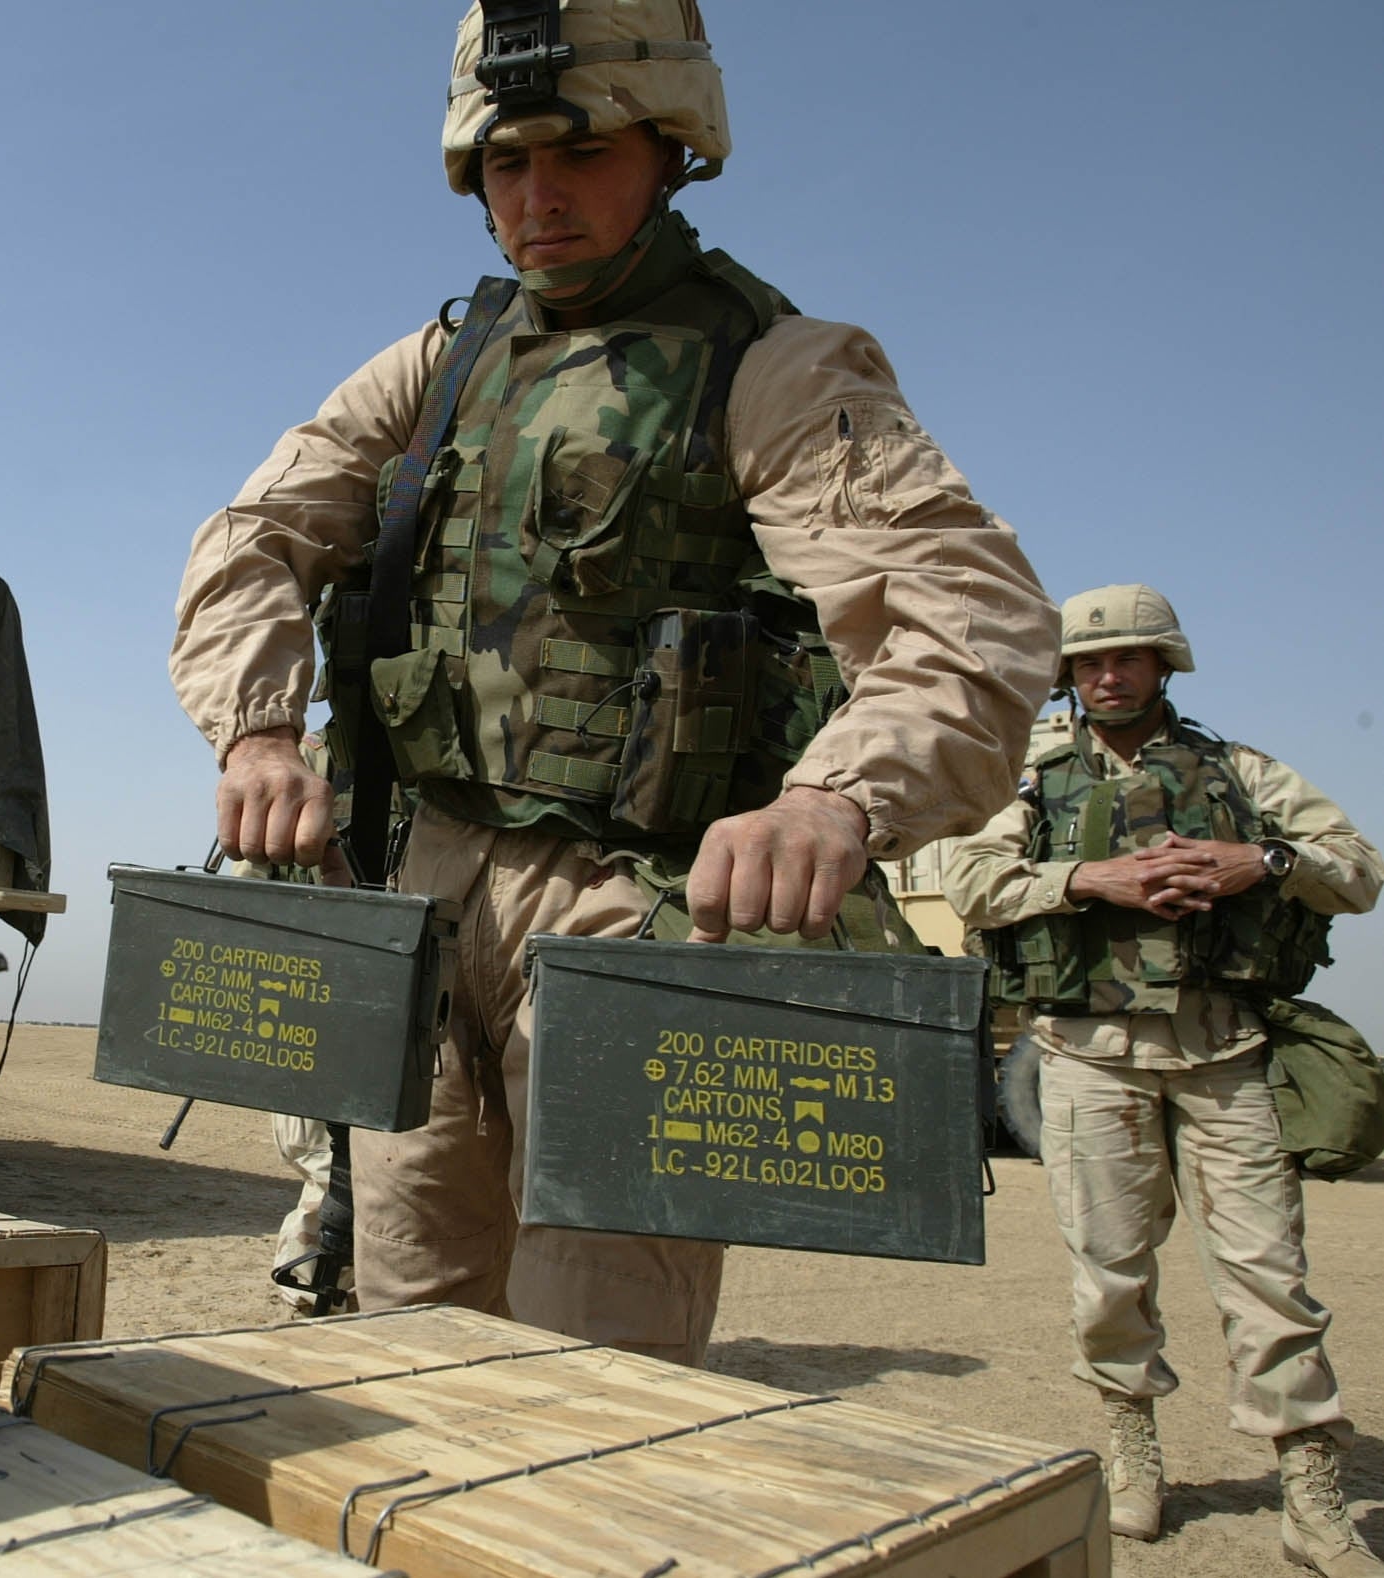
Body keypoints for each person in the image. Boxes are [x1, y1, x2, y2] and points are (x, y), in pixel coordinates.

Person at [170, 0, 1058, 1368]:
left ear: (670, 147)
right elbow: (253, 536)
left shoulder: (772, 365)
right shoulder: (439, 362)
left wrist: (831, 799)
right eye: (504, 165)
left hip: (625, 914)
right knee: (405, 1338)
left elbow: (970, 621)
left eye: (575, 153)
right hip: (419, 892)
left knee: (591, 1367)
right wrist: (258, 729)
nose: (537, 197)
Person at [942, 585, 1382, 1571]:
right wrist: (1088, 879)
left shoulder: (1240, 772)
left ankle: (1310, 1492)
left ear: (1164, 663)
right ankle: (1133, 1452)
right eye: (1091, 662)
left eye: (1129, 657)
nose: (1109, 675)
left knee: (1273, 1280)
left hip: (1223, 1051)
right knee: (1110, 1277)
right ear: (1064, 673)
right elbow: (968, 877)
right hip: (1090, 1057)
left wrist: (1256, 860)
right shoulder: (1030, 777)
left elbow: (1358, 867)